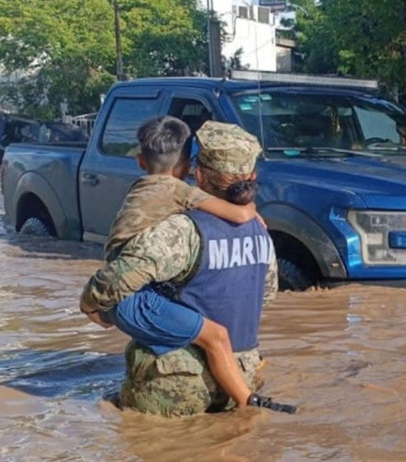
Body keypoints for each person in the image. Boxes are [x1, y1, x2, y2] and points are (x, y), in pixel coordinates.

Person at [81, 121, 296, 416]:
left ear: (198, 174)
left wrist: (91, 305)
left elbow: (119, 277)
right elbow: (265, 294)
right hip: (241, 375)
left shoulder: (181, 229)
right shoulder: (260, 231)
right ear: (253, 176)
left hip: (176, 383)